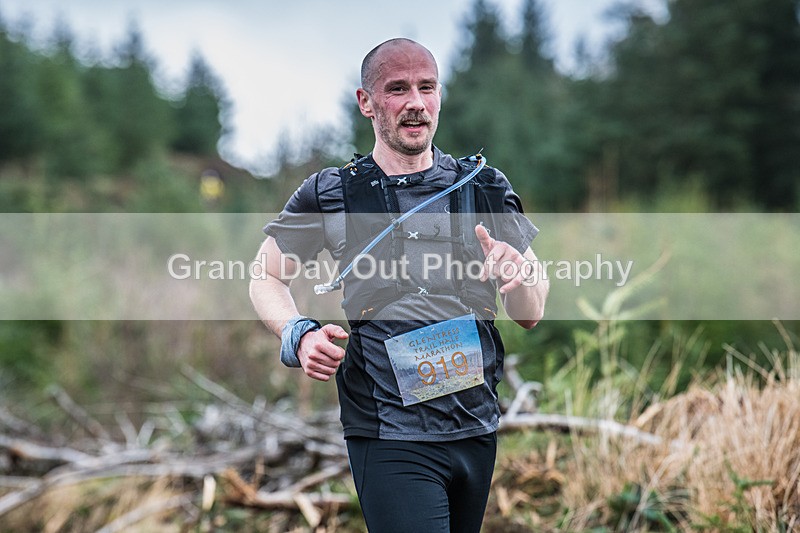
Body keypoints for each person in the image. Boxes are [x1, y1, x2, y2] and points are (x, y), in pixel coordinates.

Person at [250, 38, 549, 533]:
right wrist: (298, 333)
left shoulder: (484, 186)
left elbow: (531, 310)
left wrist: (517, 278)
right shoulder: (332, 192)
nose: (415, 102)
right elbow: (265, 277)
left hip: (475, 424)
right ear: (366, 102)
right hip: (387, 431)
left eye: (426, 87)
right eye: (397, 89)